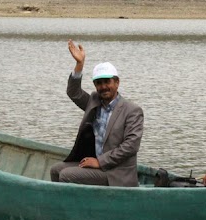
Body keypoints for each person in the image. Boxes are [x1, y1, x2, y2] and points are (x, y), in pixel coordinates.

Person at [50, 40, 144, 187]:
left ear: (117, 82)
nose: (103, 87)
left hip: (116, 172)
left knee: (67, 175)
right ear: (95, 85)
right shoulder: (94, 102)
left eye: (107, 82)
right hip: (96, 165)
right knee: (56, 170)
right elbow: (74, 93)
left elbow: (130, 147)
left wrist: (100, 161)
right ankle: (62, 206)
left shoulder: (132, 111)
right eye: (99, 83)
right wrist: (79, 65)